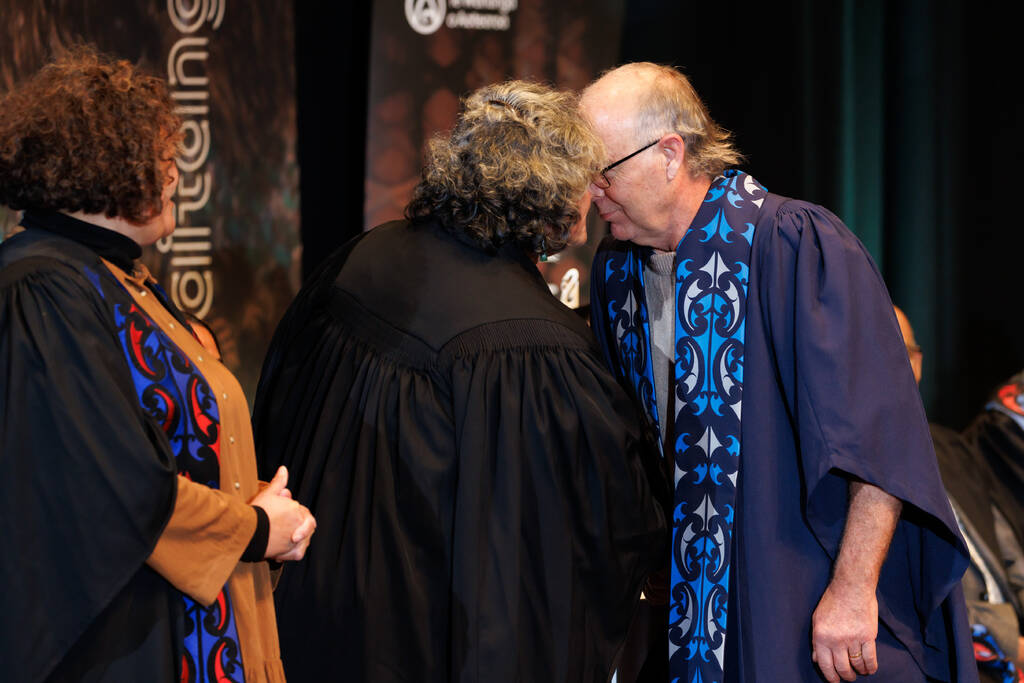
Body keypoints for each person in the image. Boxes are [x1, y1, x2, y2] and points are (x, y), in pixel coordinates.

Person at [252, 80, 668, 682]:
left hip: (307, 616)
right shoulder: (535, 348)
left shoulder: (359, 259)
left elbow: (278, 411)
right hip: (417, 646)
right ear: (552, 191)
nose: (597, 193)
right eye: (590, 177)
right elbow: (586, 536)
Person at [581, 62, 977, 683]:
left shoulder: (797, 245)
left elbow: (882, 443)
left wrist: (852, 592)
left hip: (806, 601)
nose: (592, 193)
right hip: (690, 614)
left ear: (668, 154)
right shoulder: (617, 274)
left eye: (604, 172)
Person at [0, 46, 316, 683]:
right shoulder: (45, 288)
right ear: (103, 169)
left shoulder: (114, 277)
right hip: (124, 647)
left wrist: (245, 505)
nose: (176, 180)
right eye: (165, 162)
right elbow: (111, 485)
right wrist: (255, 529)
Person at [896, 307, 1024, 683]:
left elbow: (1010, 555)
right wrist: (1012, 645)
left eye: (901, 352)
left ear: (919, 363)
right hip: (947, 656)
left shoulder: (951, 449)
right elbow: (911, 601)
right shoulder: (852, 467)